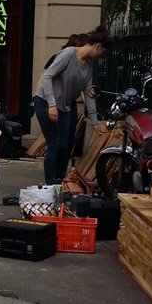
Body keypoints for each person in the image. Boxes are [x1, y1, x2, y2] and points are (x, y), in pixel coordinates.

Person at [33, 25, 113, 185]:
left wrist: (95, 122)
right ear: (98, 46)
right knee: (54, 143)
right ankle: (50, 185)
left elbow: (89, 94)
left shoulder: (89, 66)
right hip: (45, 102)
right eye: (103, 52)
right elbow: (48, 77)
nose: (101, 56)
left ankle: (60, 179)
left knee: (66, 144)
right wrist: (52, 105)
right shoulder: (68, 54)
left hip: (64, 106)